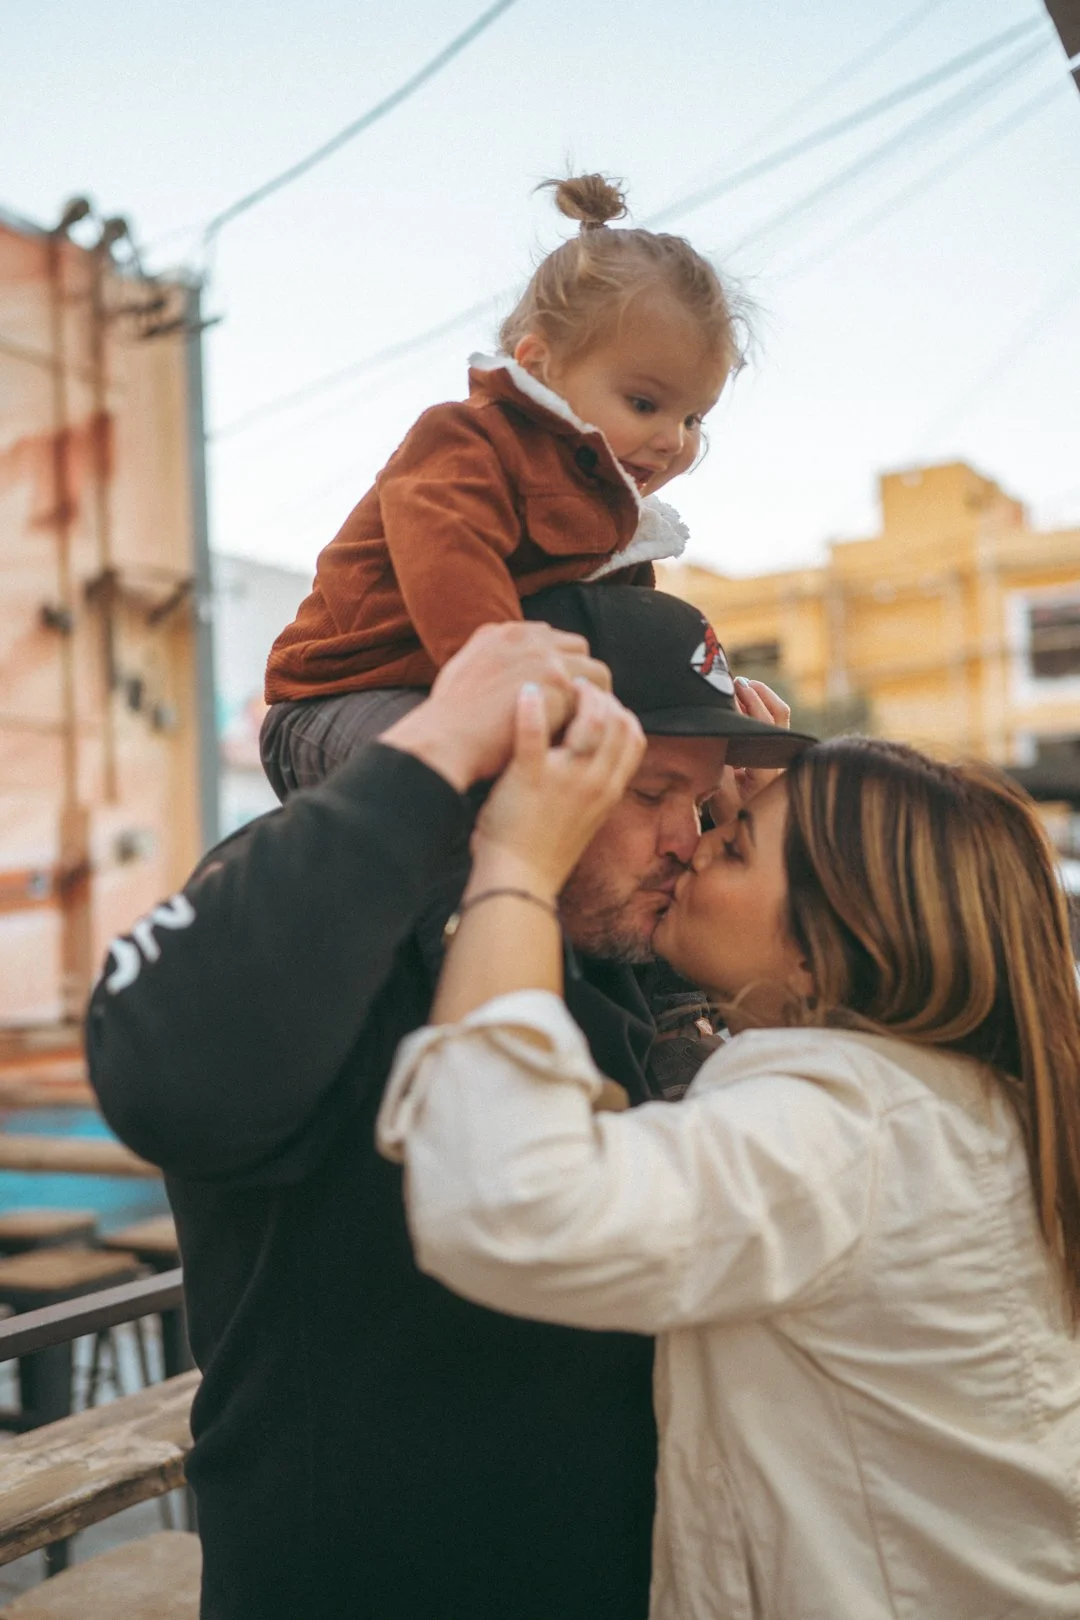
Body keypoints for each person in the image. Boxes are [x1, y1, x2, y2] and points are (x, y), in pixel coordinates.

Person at [86, 585, 807, 1620]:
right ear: (521, 763)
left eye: (703, 807)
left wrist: (761, 828)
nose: (685, 839)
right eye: (650, 791)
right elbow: (167, 1076)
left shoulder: (625, 949)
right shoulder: (342, 913)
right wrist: (427, 764)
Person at [379, 684, 1080, 1620]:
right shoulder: (967, 1101)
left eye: (732, 841)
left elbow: (511, 1198)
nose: (692, 845)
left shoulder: (845, 1133)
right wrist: (783, 812)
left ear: (821, 957)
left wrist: (514, 865)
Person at [260, 171, 750, 800]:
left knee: (603, 791)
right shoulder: (467, 442)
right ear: (538, 365)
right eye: (644, 402)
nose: (671, 440)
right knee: (482, 781)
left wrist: (691, 728)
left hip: (458, 698)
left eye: (693, 418)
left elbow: (624, 645)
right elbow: (449, 560)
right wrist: (519, 693)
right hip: (339, 699)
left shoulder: (618, 520)